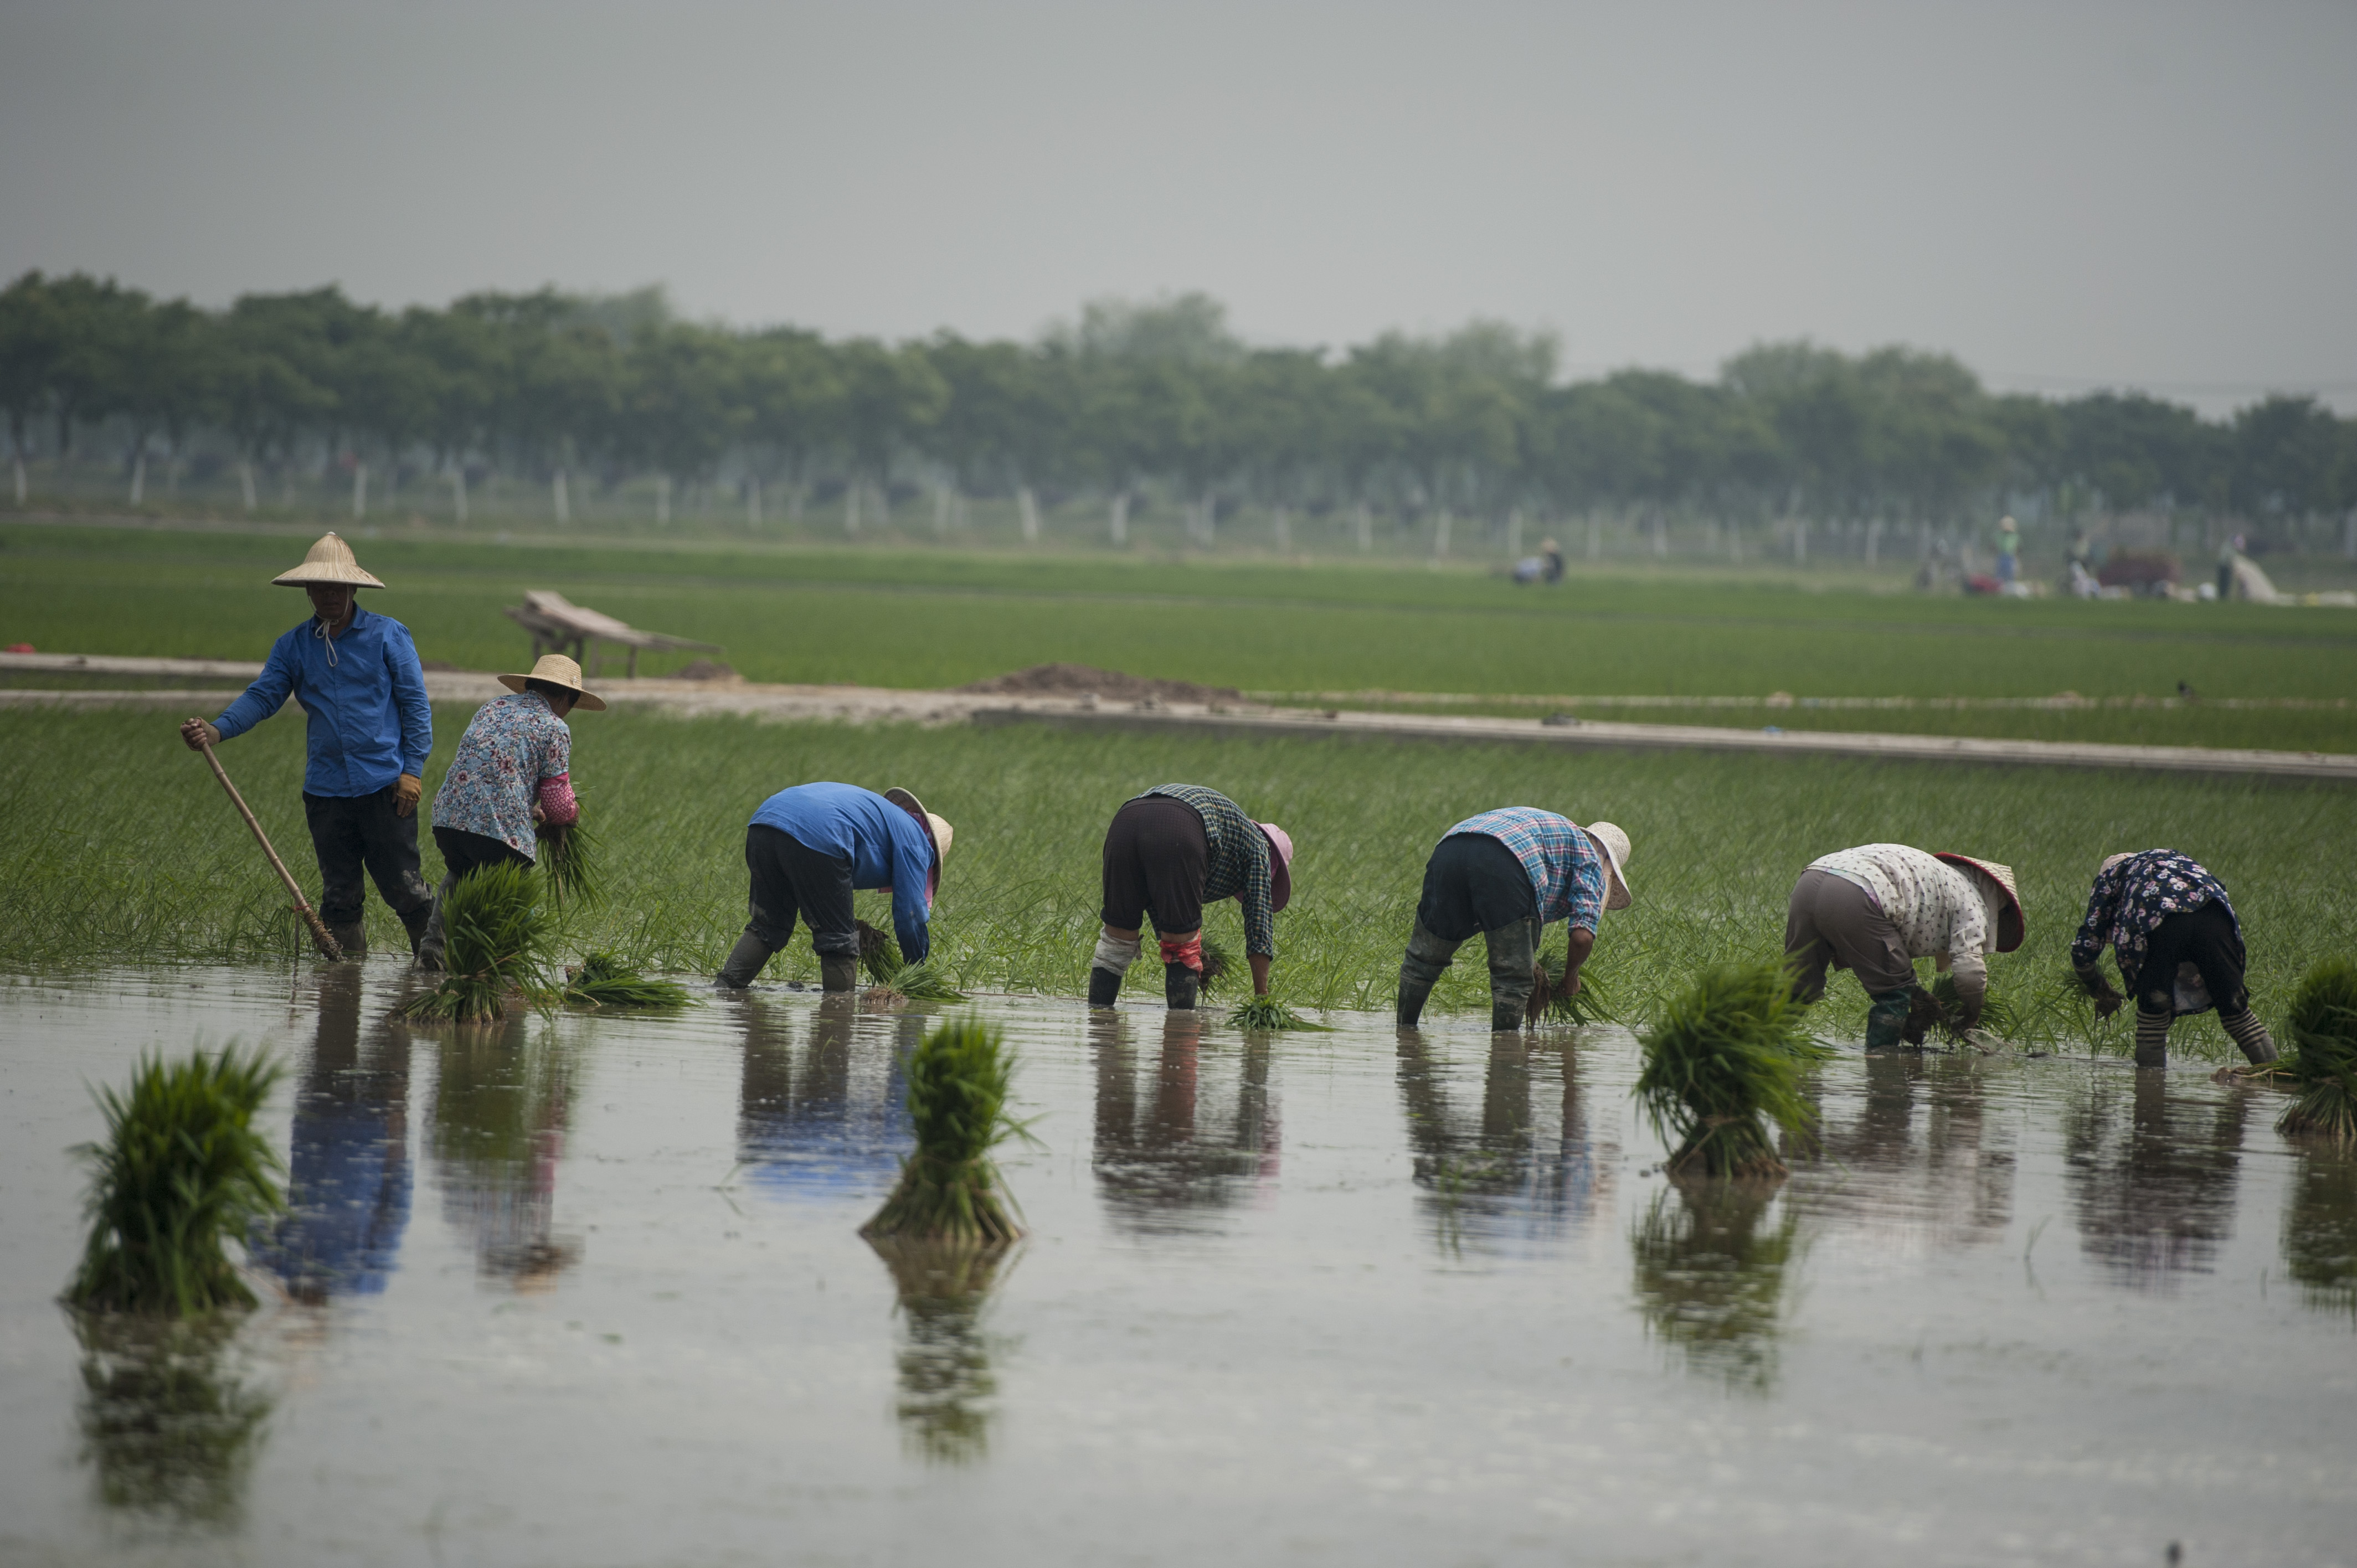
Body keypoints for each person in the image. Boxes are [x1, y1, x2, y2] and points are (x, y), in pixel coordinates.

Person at [178, 532, 433, 958]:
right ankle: (343, 988)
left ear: (353, 588)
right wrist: (217, 730)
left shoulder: (388, 636)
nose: (329, 596)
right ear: (308, 590)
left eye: (337, 587)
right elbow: (263, 697)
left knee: (404, 888)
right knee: (339, 897)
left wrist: (412, 771)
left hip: (386, 786)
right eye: (320, 588)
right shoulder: (294, 646)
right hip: (327, 791)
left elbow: (415, 706)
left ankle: (438, 971)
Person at [415, 654, 603, 971]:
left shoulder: (494, 707)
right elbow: (558, 804)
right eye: (572, 703)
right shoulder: (554, 726)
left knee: (461, 872)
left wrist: (529, 809)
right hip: (499, 832)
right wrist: (570, 816)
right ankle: (512, 970)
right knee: (513, 893)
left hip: (449, 819)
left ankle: (433, 948)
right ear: (567, 698)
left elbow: (491, 772)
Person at [1395, 809, 1632, 1032]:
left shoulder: (1555, 834)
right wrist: (1571, 978)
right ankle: (1506, 1055)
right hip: (1505, 859)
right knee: (1513, 980)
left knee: (1422, 961)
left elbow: (1493, 906)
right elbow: (1583, 937)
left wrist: (1527, 957)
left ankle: (1404, 1036)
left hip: (1450, 847)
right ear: (1609, 865)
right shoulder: (1590, 858)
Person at [717, 783, 953, 991]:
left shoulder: (886, 819)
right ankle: (838, 1015)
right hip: (821, 832)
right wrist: (916, 971)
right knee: (839, 940)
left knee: (768, 924)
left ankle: (723, 989)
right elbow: (911, 914)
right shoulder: (917, 841)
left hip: (765, 822)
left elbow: (822, 882)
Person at [1784, 844, 2023, 1049]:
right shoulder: (1973, 902)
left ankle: (1763, 1039)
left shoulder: (1942, 879)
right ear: (1997, 904)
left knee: (1799, 984)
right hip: (1860, 891)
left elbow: (1866, 950)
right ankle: (1884, 1064)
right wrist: (1972, 1013)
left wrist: (1915, 994)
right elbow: (1970, 972)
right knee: (1894, 994)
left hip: (1810, 880)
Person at [1088, 784, 1293, 1010]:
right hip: (1179, 824)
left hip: (1124, 822)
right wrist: (1262, 999)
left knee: (1118, 939)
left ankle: (1098, 1021)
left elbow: (1160, 898)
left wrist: (1194, 951)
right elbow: (1259, 924)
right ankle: (1179, 1034)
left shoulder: (1235, 834)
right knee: (1182, 948)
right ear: (1274, 863)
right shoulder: (1260, 848)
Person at [2069, 850, 2277, 1069]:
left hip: (2156, 920)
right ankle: (2278, 1078)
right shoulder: (2177, 862)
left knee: (2153, 1019)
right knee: (2237, 1013)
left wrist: (2096, 986)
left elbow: (2087, 943)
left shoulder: (2111, 876)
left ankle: (2151, 1091)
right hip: (2215, 918)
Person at [1995, 515, 2021, 586]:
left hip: (2011, 557)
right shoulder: (1999, 536)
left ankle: (2010, 589)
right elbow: (1994, 546)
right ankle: (1999, 589)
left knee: (2011, 575)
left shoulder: (2015, 536)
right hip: (2001, 556)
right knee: (2000, 575)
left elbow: (2018, 548)